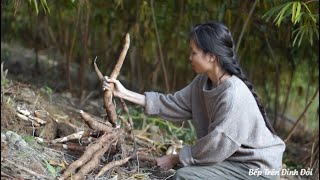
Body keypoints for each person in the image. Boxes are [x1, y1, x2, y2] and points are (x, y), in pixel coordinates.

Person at [103, 21, 286, 180]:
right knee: (187, 170)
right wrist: (124, 93)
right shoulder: (203, 82)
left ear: (211, 56)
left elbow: (214, 148)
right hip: (231, 159)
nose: (189, 58)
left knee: (185, 176)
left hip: (256, 168)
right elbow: (173, 104)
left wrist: (174, 158)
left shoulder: (233, 95)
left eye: (194, 53)